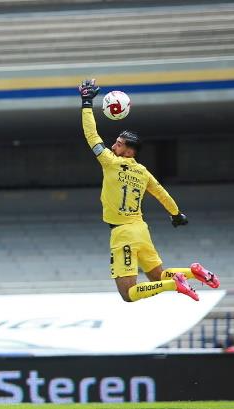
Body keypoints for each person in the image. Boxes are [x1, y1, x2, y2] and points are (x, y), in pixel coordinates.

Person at [78, 79, 221, 302]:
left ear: (128, 151)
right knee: (157, 275)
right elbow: (162, 193)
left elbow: (91, 135)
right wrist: (176, 214)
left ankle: (175, 284)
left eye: (118, 143)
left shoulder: (109, 161)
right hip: (141, 229)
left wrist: (87, 103)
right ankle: (193, 272)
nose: (113, 146)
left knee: (128, 294)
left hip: (122, 232)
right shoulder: (143, 172)